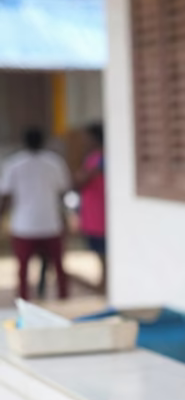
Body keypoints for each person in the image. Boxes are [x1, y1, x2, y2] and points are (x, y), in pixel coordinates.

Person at [0, 127, 72, 301]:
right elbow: (63, 192)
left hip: (24, 225)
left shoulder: (14, 164)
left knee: (23, 268)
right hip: (50, 223)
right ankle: (63, 299)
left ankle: (24, 300)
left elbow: (6, 197)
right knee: (58, 266)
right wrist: (66, 217)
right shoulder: (55, 163)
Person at [73, 122, 107, 293]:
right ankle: (104, 283)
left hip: (101, 215)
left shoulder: (100, 159)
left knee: (104, 251)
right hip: (94, 213)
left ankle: (105, 284)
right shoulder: (92, 158)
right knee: (99, 252)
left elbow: (79, 181)